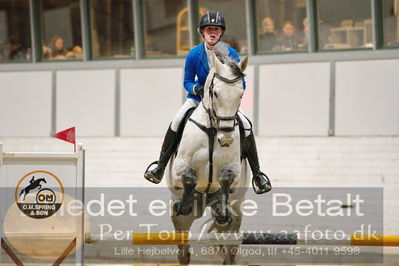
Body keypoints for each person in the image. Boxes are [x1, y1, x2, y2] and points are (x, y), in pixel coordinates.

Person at [144, 11, 272, 194]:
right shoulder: (194, 54)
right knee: (177, 121)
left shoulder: (231, 53)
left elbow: (240, 80)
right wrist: (196, 89)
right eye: (209, 29)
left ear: (221, 33)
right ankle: (160, 166)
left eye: (216, 29)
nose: (213, 33)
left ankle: (258, 175)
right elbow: (187, 81)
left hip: (223, 103)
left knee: (246, 125)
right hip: (198, 101)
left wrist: (232, 93)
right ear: (202, 32)